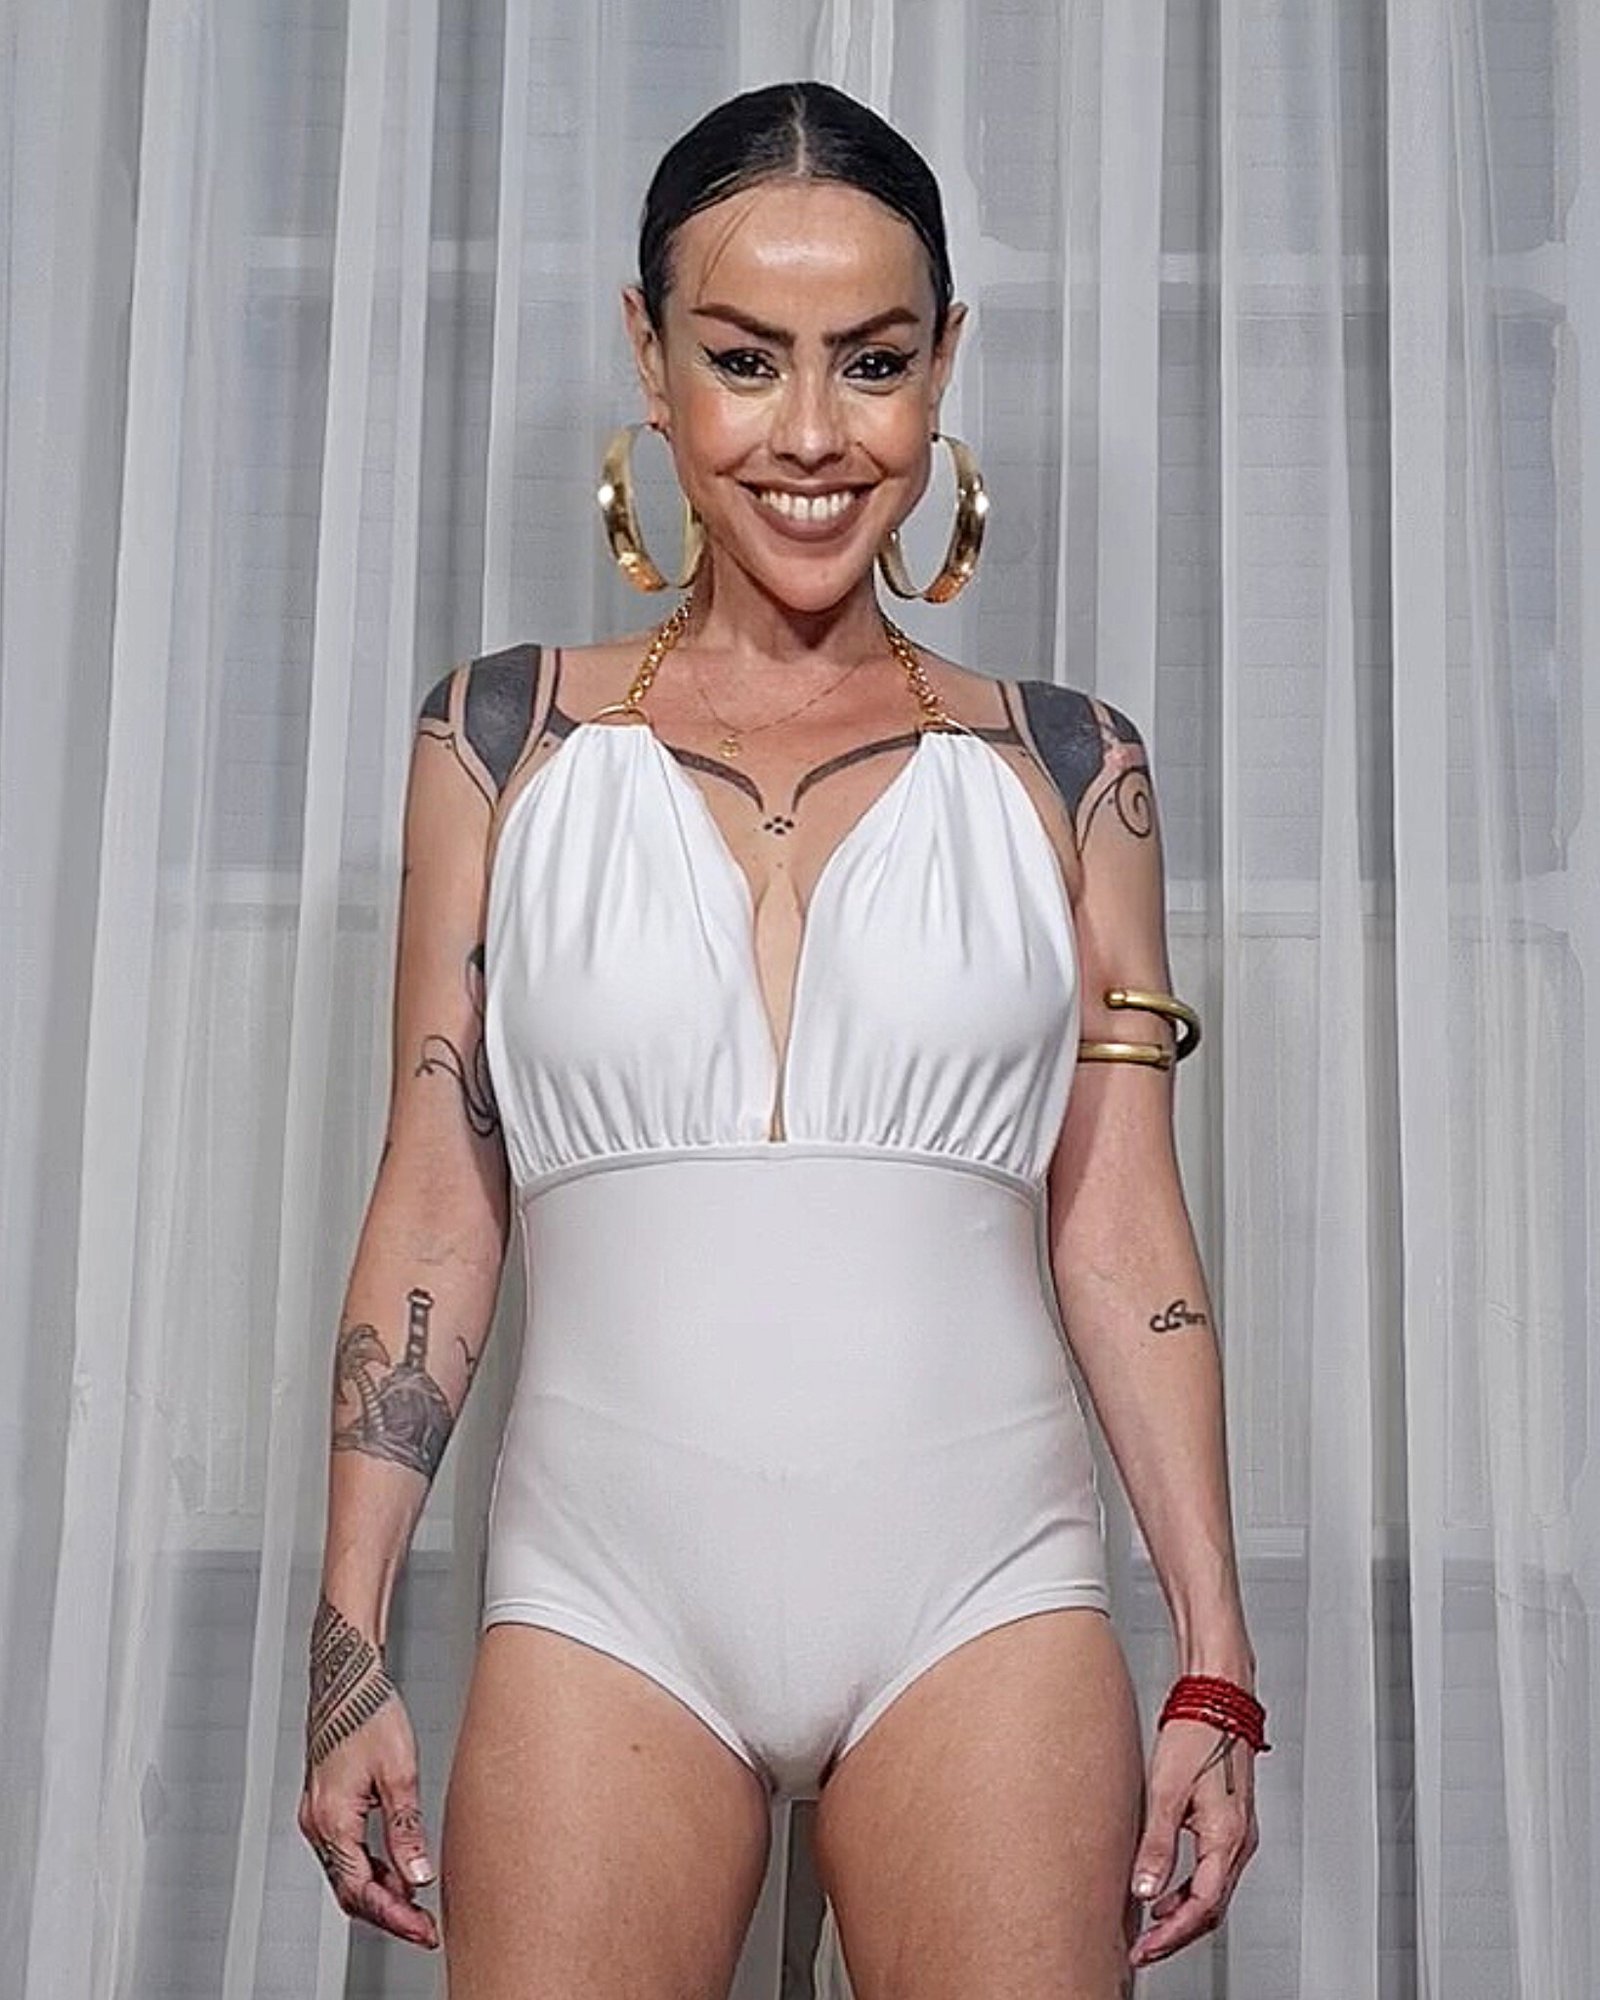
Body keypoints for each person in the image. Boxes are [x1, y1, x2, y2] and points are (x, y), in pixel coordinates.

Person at [296, 79, 1264, 1998]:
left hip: (987, 1602)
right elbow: (437, 1194)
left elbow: (1122, 1229)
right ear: (648, 359)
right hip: (604, 1605)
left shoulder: (1074, 767)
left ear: (943, 364)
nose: (813, 433)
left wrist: (1215, 1661)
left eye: (872, 361)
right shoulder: (498, 741)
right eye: (746, 359)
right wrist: (347, 1645)